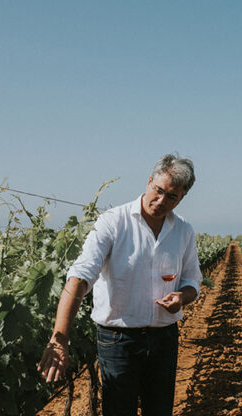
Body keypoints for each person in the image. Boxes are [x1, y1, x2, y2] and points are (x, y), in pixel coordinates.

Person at [38, 154, 202, 416]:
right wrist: (60, 338)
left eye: (171, 197)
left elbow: (193, 281)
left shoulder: (184, 231)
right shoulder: (113, 222)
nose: (161, 201)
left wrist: (182, 297)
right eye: (158, 190)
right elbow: (80, 277)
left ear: (182, 198)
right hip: (118, 341)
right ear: (149, 181)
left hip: (164, 339)